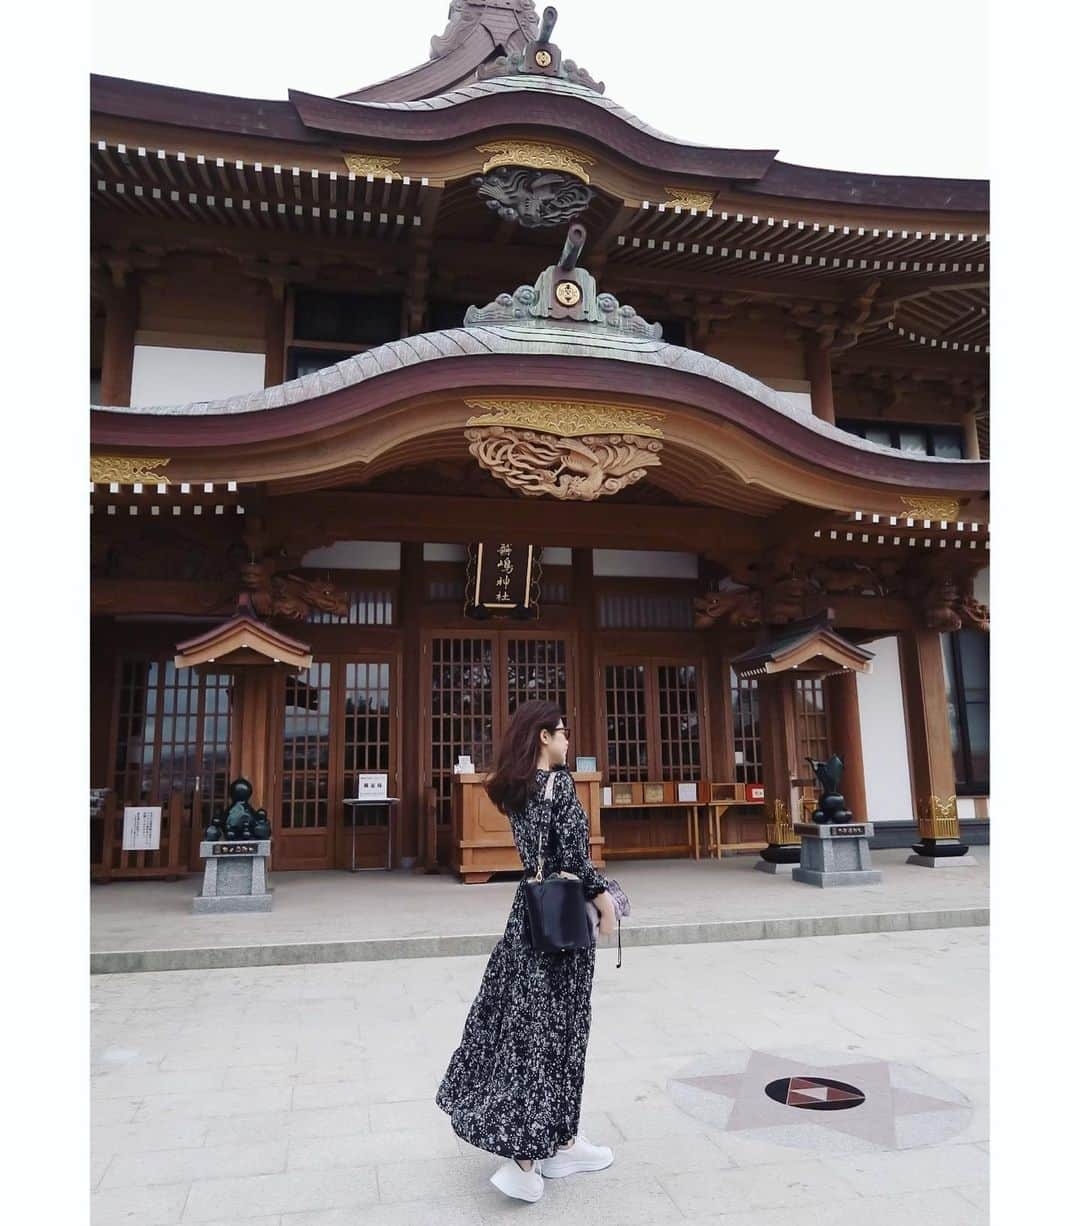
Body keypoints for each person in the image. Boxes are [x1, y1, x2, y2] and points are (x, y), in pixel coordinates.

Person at [435, 699, 618, 1203]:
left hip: (527, 919)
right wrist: (605, 899)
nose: (566, 740)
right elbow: (575, 859)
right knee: (555, 1033)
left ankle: (559, 1139)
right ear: (542, 736)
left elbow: (543, 857)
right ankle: (528, 1156)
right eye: (561, 732)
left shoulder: (516, 791)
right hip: (561, 924)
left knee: (526, 1027)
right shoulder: (559, 787)